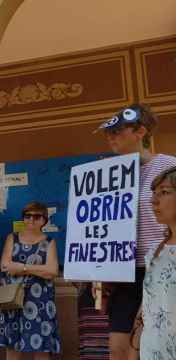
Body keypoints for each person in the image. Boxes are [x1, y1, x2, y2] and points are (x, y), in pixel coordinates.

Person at [94, 103, 176, 359]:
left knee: (155, 342)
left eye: (117, 131)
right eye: (108, 133)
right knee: (118, 348)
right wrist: (98, 271)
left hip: (162, 265)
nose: (110, 137)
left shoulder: (169, 166)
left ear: (140, 131)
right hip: (123, 272)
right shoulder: (107, 174)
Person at [0, 201, 61, 359]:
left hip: (40, 301)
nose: (31, 220)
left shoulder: (49, 242)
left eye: (36, 216)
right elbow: (5, 265)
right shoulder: (12, 238)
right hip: (13, 299)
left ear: (44, 220)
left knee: (41, 346)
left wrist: (22, 268)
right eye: (27, 216)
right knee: (13, 344)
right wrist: (39, 269)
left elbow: (52, 271)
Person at [137, 167, 176, 357]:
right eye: (154, 193)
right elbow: (150, 306)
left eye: (165, 192)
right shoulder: (154, 252)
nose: (153, 200)